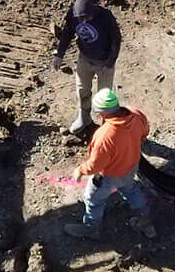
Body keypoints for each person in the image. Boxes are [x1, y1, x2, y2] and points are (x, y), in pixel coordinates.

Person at [65, 87, 153, 238]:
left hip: (110, 176)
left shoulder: (105, 136)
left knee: (93, 199)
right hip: (131, 167)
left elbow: (95, 166)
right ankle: (145, 220)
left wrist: (80, 170)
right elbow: (144, 133)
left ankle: (92, 229)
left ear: (102, 113)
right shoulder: (136, 115)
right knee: (130, 189)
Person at [51, 0, 122, 135]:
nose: (83, 22)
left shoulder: (105, 17)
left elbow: (116, 39)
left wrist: (110, 62)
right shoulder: (73, 15)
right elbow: (67, 34)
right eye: (80, 19)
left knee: (105, 95)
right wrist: (59, 55)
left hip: (104, 61)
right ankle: (84, 117)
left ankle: (107, 125)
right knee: (82, 89)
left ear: (93, 11)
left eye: (86, 18)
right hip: (85, 58)